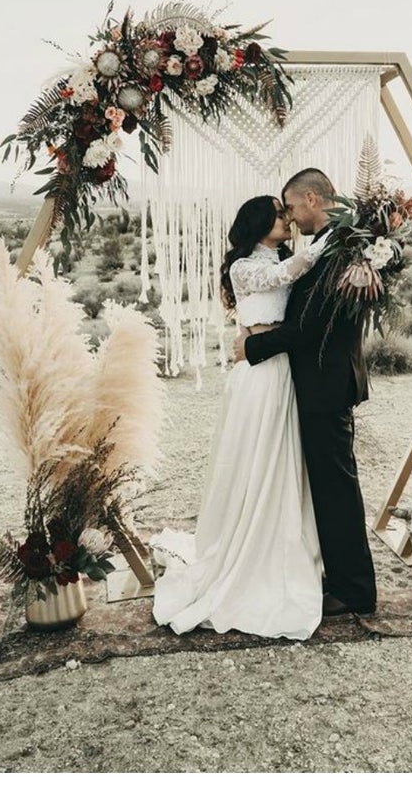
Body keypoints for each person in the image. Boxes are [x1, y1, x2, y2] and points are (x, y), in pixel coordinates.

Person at [152, 193, 329, 639]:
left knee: (284, 458)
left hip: (282, 368)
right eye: (278, 213)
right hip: (258, 374)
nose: (286, 218)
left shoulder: (284, 255)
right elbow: (287, 274)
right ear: (257, 223)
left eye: (287, 211)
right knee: (255, 459)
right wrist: (332, 238)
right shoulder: (244, 266)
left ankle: (282, 541)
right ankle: (248, 549)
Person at [233, 167, 379, 617]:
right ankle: (336, 575)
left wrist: (254, 345)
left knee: (335, 488)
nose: (292, 219)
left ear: (313, 199)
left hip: (326, 383)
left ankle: (354, 590)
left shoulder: (341, 248)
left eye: (292, 207)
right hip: (318, 382)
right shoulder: (334, 245)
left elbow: (312, 325)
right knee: (326, 486)